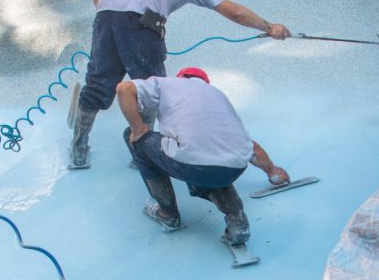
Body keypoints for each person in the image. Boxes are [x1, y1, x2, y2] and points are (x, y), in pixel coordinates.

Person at [69, 0, 291, 170]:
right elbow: (233, 11)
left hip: (105, 18)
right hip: (141, 25)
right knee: (152, 90)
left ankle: (78, 151)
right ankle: (143, 156)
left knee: (97, 86)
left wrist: (114, 23)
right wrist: (269, 26)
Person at [117, 66, 289, 245]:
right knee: (211, 160)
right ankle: (237, 219)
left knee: (136, 138)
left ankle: (168, 214)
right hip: (235, 166)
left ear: (181, 77)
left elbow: (124, 89)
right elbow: (253, 147)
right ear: (206, 83)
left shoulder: (167, 84)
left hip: (192, 163)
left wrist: (138, 130)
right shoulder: (217, 95)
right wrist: (272, 171)